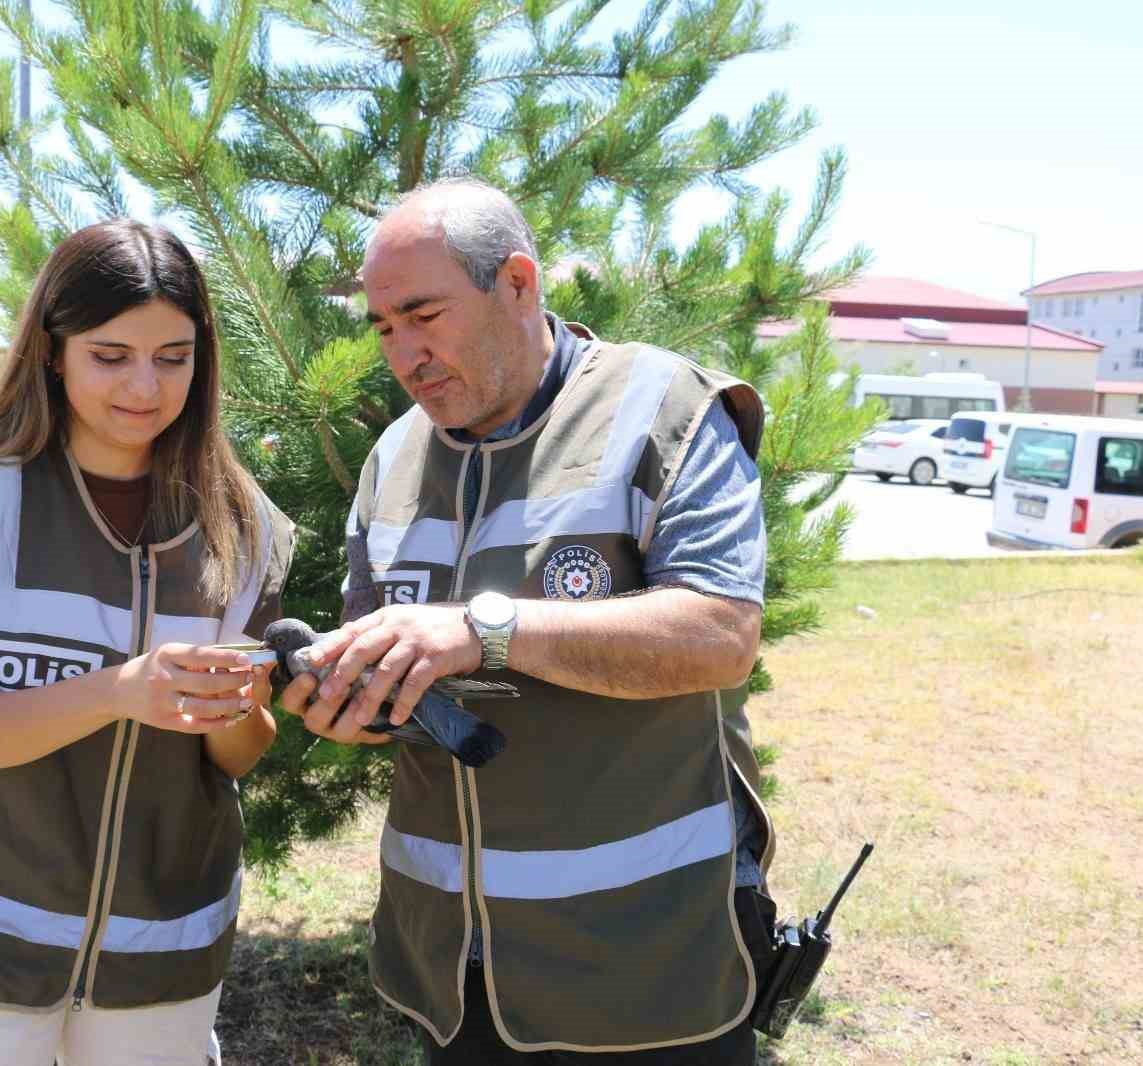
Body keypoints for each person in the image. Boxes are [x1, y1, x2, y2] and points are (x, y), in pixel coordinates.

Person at [278, 179, 774, 1063]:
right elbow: (389, 682)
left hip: (649, 967)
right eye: (384, 328)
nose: (404, 353)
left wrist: (485, 630)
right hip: (451, 977)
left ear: (517, 283)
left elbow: (721, 637)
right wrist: (349, 701)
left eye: (424, 315)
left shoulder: (666, 410)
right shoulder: (392, 458)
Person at [0, 220, 294, 1066]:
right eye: (110, 356)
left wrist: (231, 707)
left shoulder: (247, 528)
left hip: (162, 950)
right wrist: (120, 691)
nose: (145, 386)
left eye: (173, 358)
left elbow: (239, 756)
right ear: (52, 352)